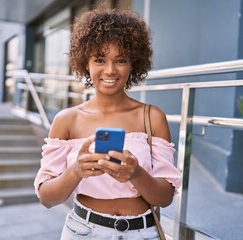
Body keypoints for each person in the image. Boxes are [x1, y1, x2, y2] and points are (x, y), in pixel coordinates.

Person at [34, 8, 182, 240]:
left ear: (133, 63)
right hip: (82, 232)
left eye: (120, 60)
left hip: (142, 234)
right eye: (100, 59)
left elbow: (165, 198)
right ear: (85, 62)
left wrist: (136, 174)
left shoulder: (152, 117)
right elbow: (46, 198)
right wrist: (76, 171)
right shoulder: (66, 120)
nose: (110, 70)